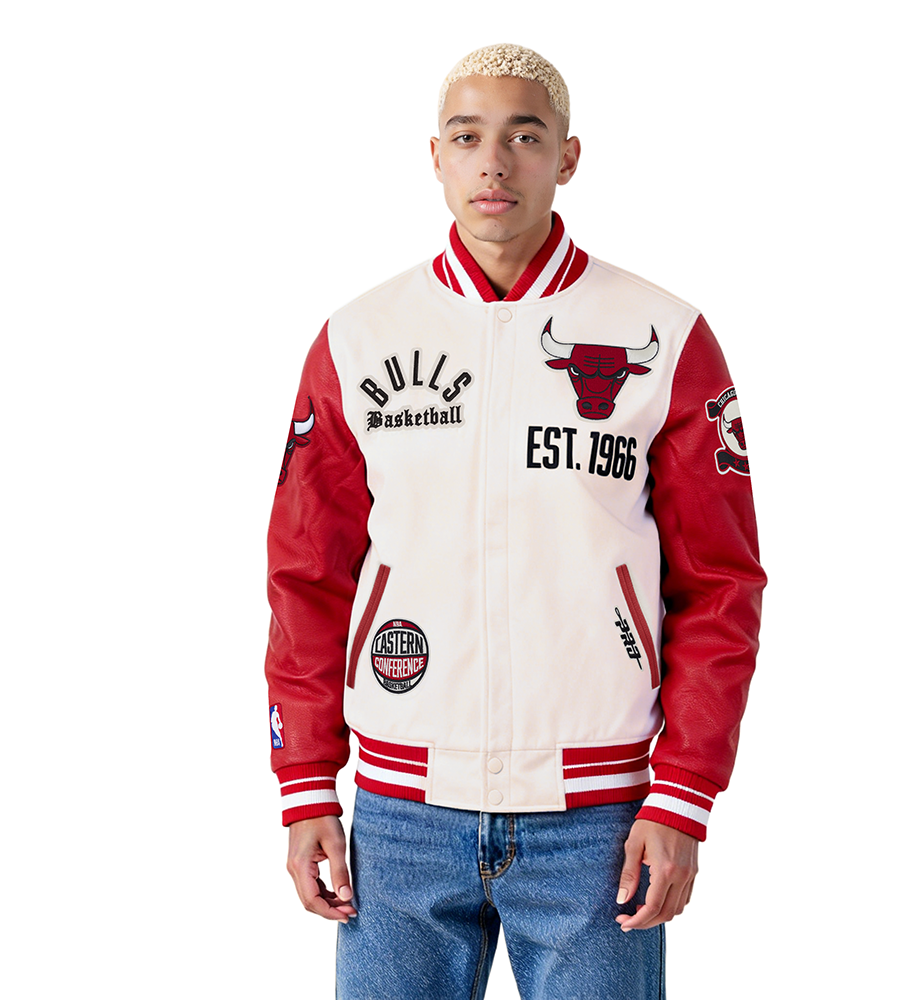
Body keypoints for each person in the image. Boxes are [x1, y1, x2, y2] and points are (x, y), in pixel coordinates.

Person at [264, 43, 765, 1000]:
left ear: (567, 157)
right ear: (435, 157)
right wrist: (304, 779)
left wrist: (684, 795)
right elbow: (306, 574)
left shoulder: (665, 335)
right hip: (401, 817)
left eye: (524, 137)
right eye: (468, 137)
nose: (494, 163)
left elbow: (720, 585)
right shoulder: (358, 338)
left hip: (601, 821)